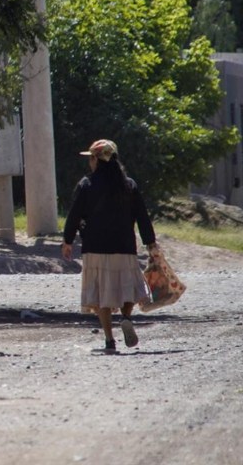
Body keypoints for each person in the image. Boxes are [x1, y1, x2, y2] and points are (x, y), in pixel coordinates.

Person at [61, 139, 156, 354]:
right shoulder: (129, 185)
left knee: (100, 293)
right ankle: (125, 317)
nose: (90, 163)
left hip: (94, 247)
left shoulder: (87, 184)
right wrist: (150, 242)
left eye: (91, 158)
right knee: (127, 288)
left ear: (97, 160)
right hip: (124, 247)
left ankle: (109, 340)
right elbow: (142, 216)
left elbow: (74, 215)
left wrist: (67, 240)